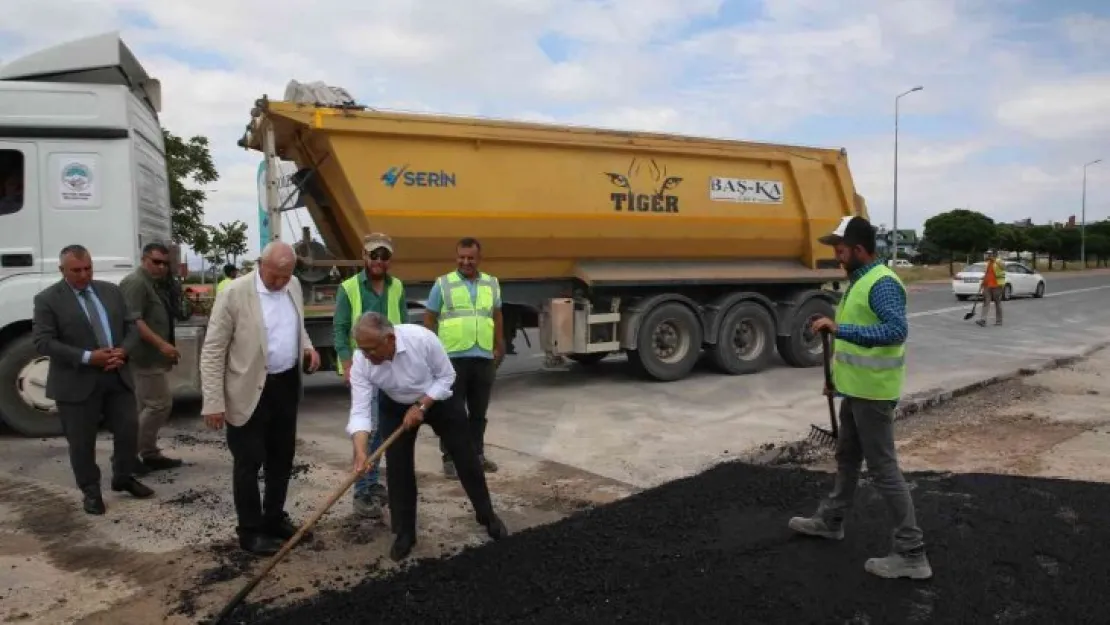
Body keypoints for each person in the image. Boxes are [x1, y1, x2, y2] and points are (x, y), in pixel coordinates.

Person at [788, 216, 932, 580]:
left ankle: (912, 553)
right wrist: (836, 382)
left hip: (874, 395)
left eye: (840, 249)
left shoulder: (882, 283)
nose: (837, 255)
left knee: (884, 470)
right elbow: (854, 347)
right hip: (856, 390)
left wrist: (840, 328)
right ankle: (830, 521)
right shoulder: (859, 281)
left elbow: (895, 331)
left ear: (859, 249)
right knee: (848, 457)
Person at [347, 312, 508, 562]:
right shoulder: (362, 360)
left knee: (466, 457)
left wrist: (422, 406)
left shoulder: (422, 339)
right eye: (362, 350)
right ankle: (404, 533)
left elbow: (447, 377)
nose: (366, 355)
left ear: (390, 339)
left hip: (438, 398)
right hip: (395, 404)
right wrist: (360, 451)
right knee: (398, 470)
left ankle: (486, 515)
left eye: (370, 349)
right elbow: (360, 409)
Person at [200, 242, 321, 556]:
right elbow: (213, 350)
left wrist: (307, 347)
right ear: (260, 265)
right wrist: (213, 401)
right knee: (248, 462)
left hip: (285, 386)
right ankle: (250, 530)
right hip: (248, 389)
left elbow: (296, 326)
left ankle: (273, 518)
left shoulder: (293, 286)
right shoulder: (235, 294)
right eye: (275, 276)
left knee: (282, 459)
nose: (281, 282)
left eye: (286, 275)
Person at [31, 244, 154, 514]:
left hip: (116, 375)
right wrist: (88, 357)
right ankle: (90, 490)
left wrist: (124, 349)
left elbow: (131, 327)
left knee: (127, 431)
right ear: (62, 270)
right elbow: (43, 342)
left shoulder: (110, 291)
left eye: (88, 268)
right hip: (76, 382)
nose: (84, 275)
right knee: (82, 441)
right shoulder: (48, 299)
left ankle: (123, 477)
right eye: (76, 270)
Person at [333, 233, 406, 519]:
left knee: (386, 430)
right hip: (364, 368)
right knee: (369, 429)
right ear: (363, 256)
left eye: (384, 256)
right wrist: (347, 363)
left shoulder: (396, 287)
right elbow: (339, 329)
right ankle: (362, 492)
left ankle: (372, 484)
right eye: (373, 255)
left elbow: (402, 328)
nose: (378, 261)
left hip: (390, 367)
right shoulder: (349, 288)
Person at [423, 237, 505, 478]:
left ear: (479, 258)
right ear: (456, 257)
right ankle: (450, 458)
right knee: (452, 412)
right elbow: (430, 317)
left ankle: (476, 455)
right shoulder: (443, 284)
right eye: (462, 257)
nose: (465, 262)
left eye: (470, 258)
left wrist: (498, 345)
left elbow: (497, 316)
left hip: (482, 357)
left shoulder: (492, 284)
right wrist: (433, 351)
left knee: (478, 413)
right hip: (452, 358)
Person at [119, 242, 183, 473]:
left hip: (152, 355)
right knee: (159, 405)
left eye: (165, 263)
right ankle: (128, 455)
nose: (162, 267)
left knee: (145, 406)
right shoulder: (136, 283)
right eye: (156, 262)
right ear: (144, 259)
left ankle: (147, 453)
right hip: (144, 356)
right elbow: (135, 321)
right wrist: (161, 344)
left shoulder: (152, 284)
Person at [977, 250, 1005, 327]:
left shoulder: (999, 261)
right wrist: (983, 282)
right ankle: (983, 320)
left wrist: (995, 260)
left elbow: (1003, 267)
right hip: (987, 285)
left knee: (997, 303)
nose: (988, 256)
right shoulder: (988, 263)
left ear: (994, 255)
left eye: (989, 254)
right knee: (986, 302)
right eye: (987, 254)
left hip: (997, 285)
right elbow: (987, 274)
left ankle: (999, 321)